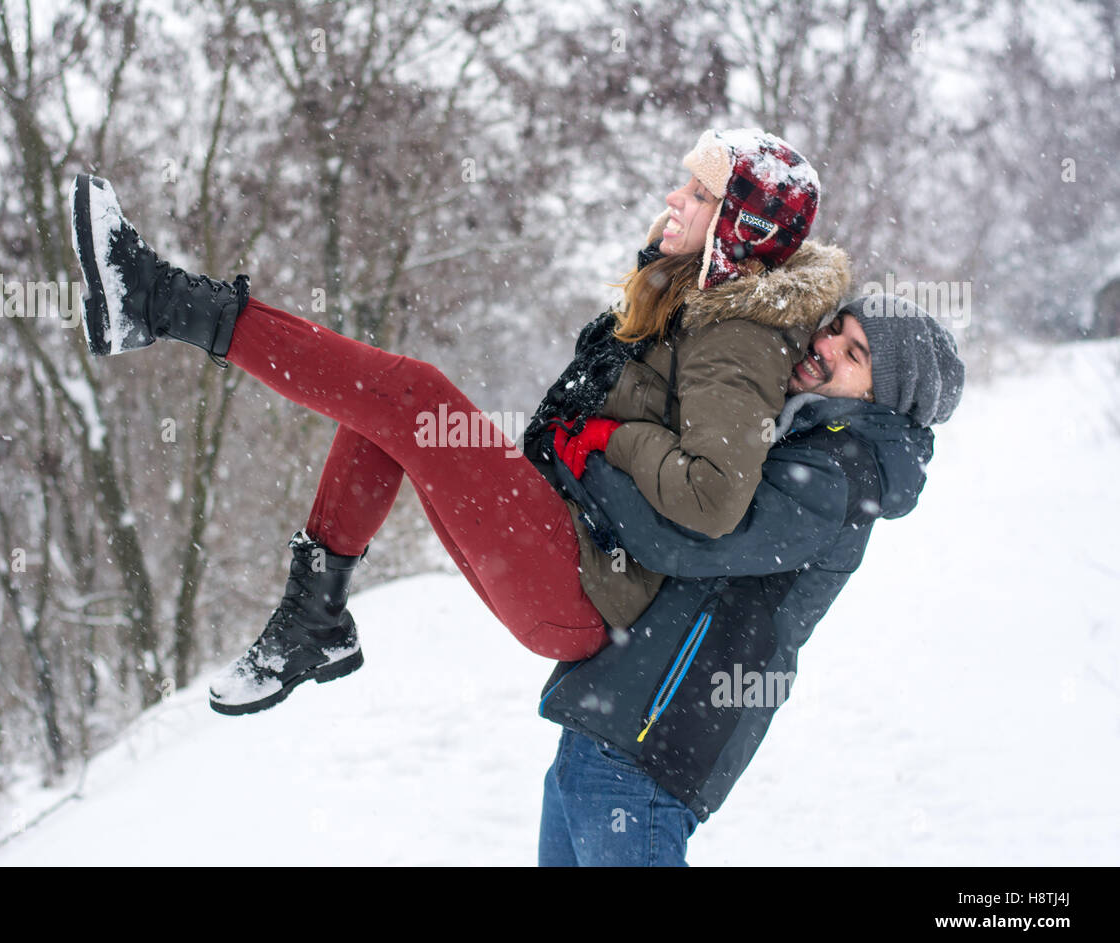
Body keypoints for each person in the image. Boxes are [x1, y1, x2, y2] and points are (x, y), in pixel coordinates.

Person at [65, 126, 850, 722]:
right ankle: (315, 618)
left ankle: (160, 303)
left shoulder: (742, 331)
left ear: (738, 223)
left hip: (584, 583)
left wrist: (614, 440)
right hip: (565, 537)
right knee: (388, 411)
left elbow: (714, 496)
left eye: (697, 193)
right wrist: (662, 266)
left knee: (415, 397)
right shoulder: (696, 295)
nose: (674, 197)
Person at [534, 293, 965, 867]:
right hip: (610, 723)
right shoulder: (801, 430)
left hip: (650, 738)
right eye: (834, 328)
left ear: (878, 394)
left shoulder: (836, 470)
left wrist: (588, 456)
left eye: (853, 351)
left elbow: (680, 534)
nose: (826, 345)